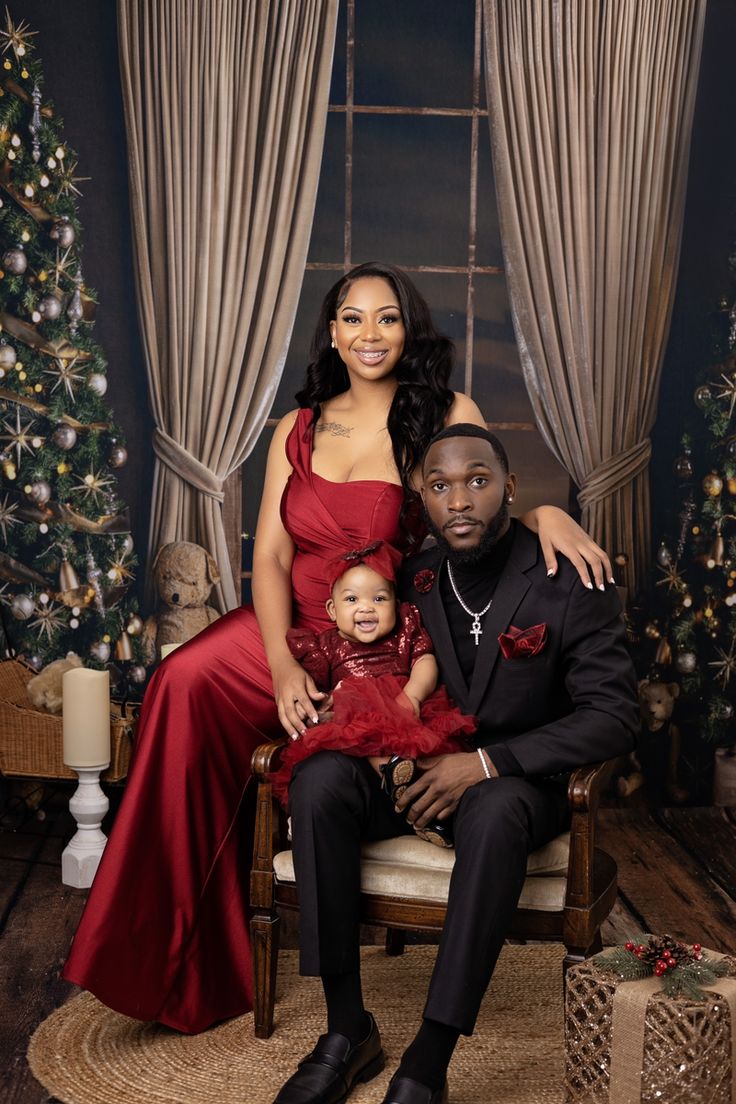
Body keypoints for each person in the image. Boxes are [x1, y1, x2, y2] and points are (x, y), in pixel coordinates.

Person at [63, 262, 615, 1035]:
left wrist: (549, 515)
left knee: (331, 763)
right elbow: (270, 559)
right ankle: (165, 952)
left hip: (381, 638)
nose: (369, 334)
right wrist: (284, 663)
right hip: (290, 629)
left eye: (386, 318)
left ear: (408, 328)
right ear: (331, 331)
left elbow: (477, 498)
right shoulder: (298, 425)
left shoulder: (446, 407)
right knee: (180, 681)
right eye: (352, 319)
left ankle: (275, 980)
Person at [275, 423, 638, 1104]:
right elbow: (354, 623)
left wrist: (489, 763)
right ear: (423, 496)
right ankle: (346, 1028)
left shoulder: (571, 580)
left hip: (520, 783)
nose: (460, 499)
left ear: (509, 487)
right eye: (440, 486)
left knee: (497, 809)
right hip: (420, 769)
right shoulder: (412, 575)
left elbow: (614, 716)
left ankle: (429, 1057)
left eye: (478, 479)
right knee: (320, 778)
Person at [269, 540, 476, 847]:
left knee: (436, 755)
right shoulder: (326, 645)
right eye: (351, 599)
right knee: (352, 717)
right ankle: (398, 783)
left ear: (396, 604)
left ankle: (431, 807)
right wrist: (327, 702)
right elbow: (317, 688)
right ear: (332, 609)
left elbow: (425, 662)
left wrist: (413, 696)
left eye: (379, 599)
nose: (366, 607)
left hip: (404, 709)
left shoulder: (404, 633)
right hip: (356, 719)